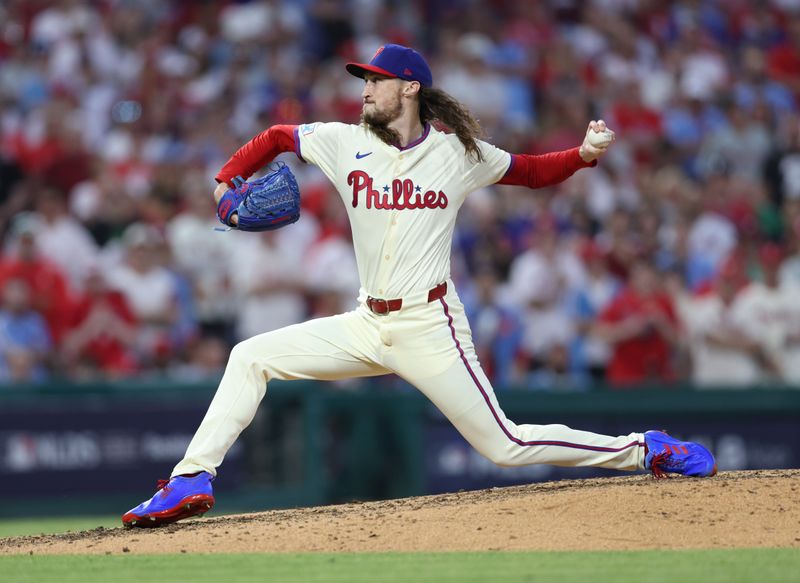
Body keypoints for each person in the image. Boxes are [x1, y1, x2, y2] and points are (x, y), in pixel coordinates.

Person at [123, 44, 717, 528]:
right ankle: (190, 479)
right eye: (364, 81)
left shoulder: (458, 154)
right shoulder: (343, 140)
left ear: (409, 88)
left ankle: (647, 448)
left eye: (376, 81)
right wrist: (226, 180)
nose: (365, 90)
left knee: (505, 445)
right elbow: (279, 136)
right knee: (249, 356)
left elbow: (532, 172)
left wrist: (584, 155)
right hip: (365, 323)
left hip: (430, 325)